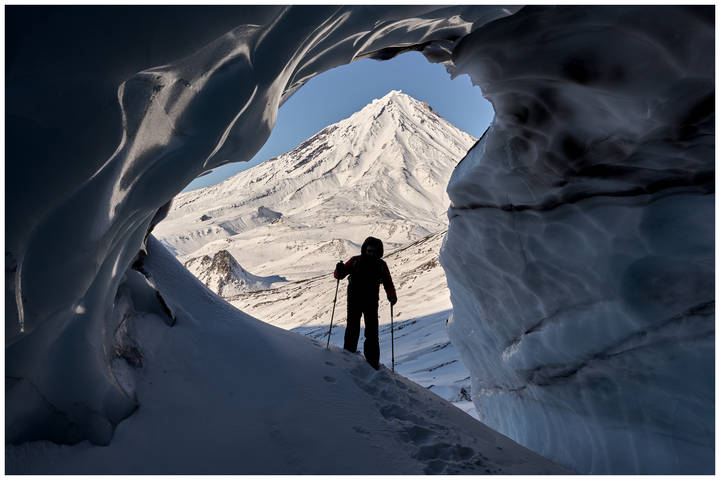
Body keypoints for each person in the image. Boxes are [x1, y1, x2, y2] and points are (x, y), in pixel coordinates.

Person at [334, 236, 397, 370]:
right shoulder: (356, 261)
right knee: (354, 327)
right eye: (369, 251)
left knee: (371, 331)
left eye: (374, 251)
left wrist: (391, 295)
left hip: (369, 301)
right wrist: (339, 269)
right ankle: (351, 356)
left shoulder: (380, 265)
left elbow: (388, 282)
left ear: (379, 252)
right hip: (357, 300)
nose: (371, 253)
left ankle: (370, 361)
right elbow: (339, 275)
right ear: (365, 249)